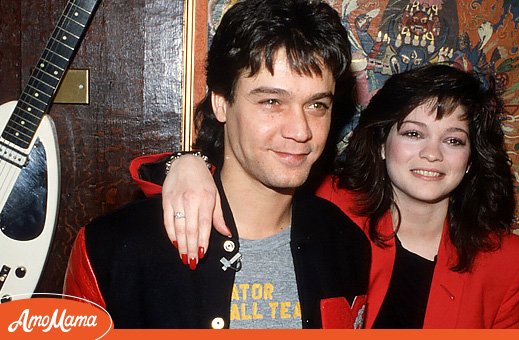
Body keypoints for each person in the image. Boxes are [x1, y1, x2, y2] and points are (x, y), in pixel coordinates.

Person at [133, 64, 519, 328]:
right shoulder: (331, 209)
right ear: (383, 142)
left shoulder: (509, 264)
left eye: (454, 140)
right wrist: (187, 162)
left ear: (472, 157)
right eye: (414, 133)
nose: (432, 154)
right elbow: (244, 176)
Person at [63, 0, 371, 329]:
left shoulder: (346, 245)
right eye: (271, 101)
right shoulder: (112, 249)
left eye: (316, 105)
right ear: (222, 103)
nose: (300, 130)